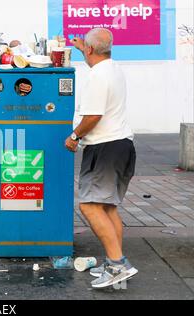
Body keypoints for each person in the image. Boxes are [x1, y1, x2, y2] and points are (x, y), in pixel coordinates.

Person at [65, 28, 138, 289]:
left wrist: (74, 136)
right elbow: (95, 57)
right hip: (122, 146)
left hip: (104, 148)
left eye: (85, 45)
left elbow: (93, 116)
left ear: (90, 50)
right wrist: (82, 47)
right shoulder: (113, 67)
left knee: (89, 206)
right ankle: (113, 263)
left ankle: (118, 265)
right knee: (107, 208)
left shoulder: (97, 76)